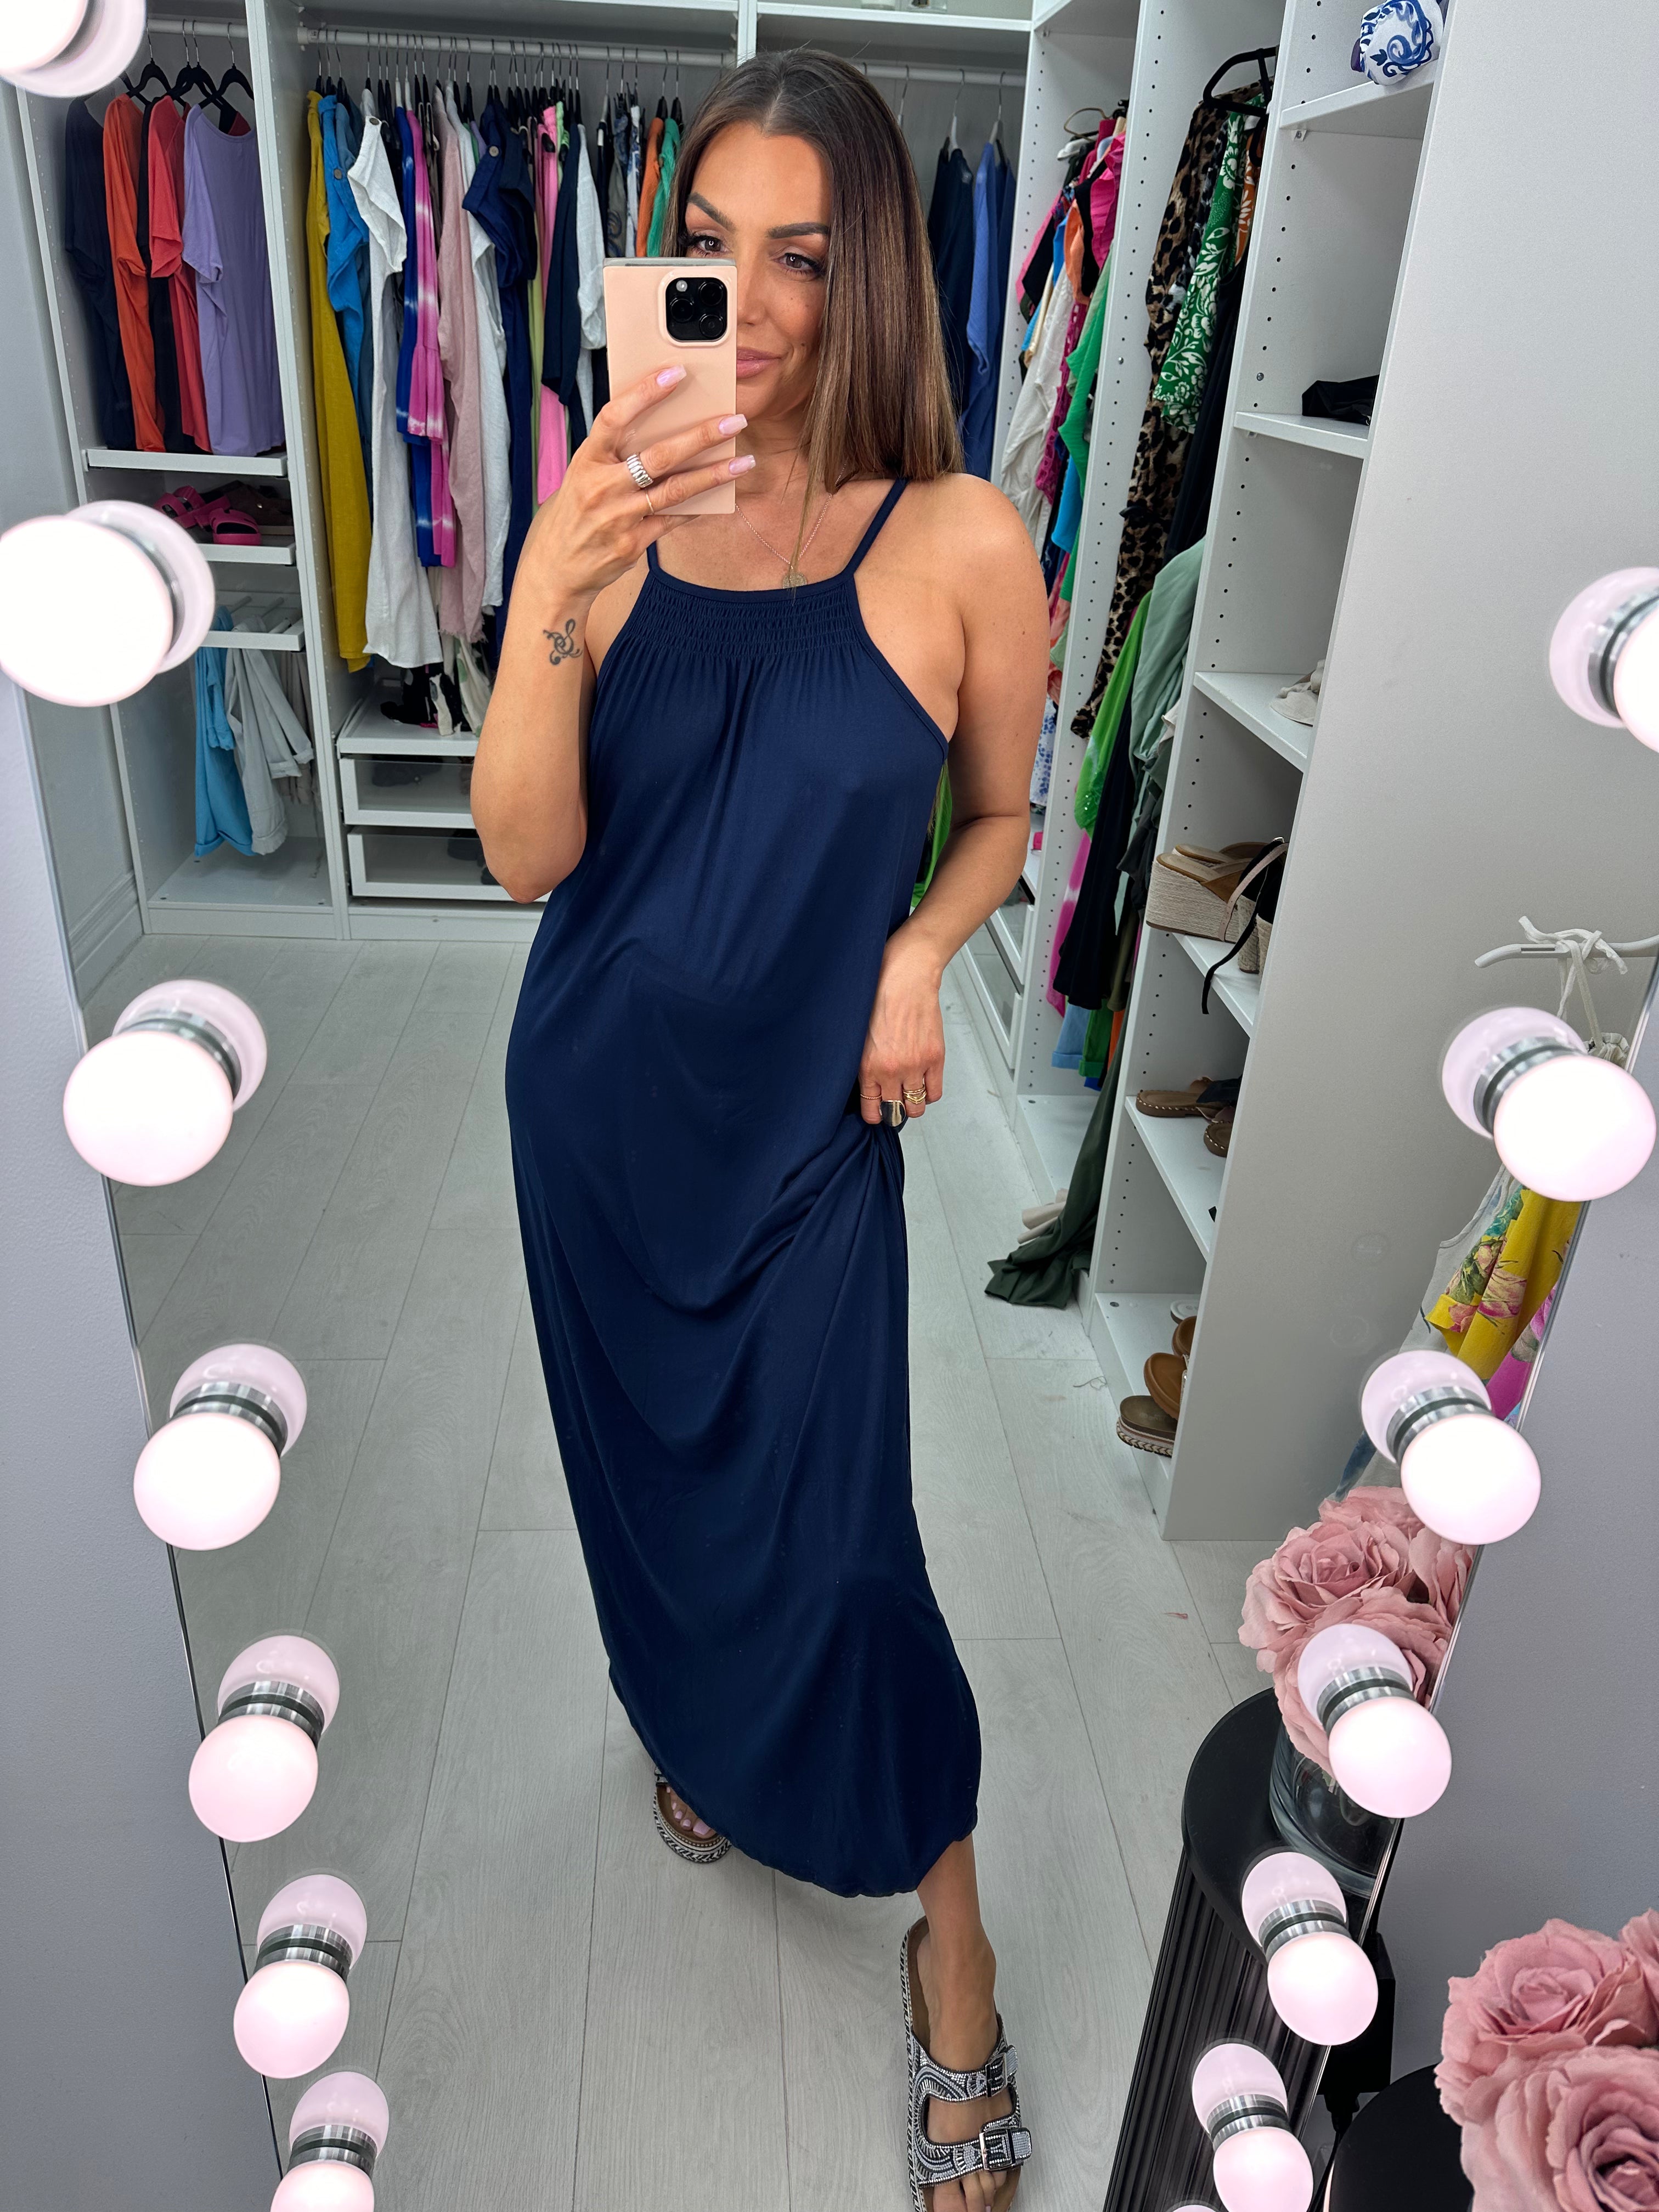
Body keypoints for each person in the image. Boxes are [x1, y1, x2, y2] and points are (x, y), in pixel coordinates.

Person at [474, 50, 1048, 2212]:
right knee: (650, 1507)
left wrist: (920, 948)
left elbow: (1002, 815)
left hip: (804, 1151)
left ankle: (955, 1952)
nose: (757, 299)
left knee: (846, 1546)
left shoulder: (959, 540)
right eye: (709, 248)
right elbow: (530, 857)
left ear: (875, 266)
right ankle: (705, 1736)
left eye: (804, 253)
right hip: (600, 1122)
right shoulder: (609, 513)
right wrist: (559, 566)